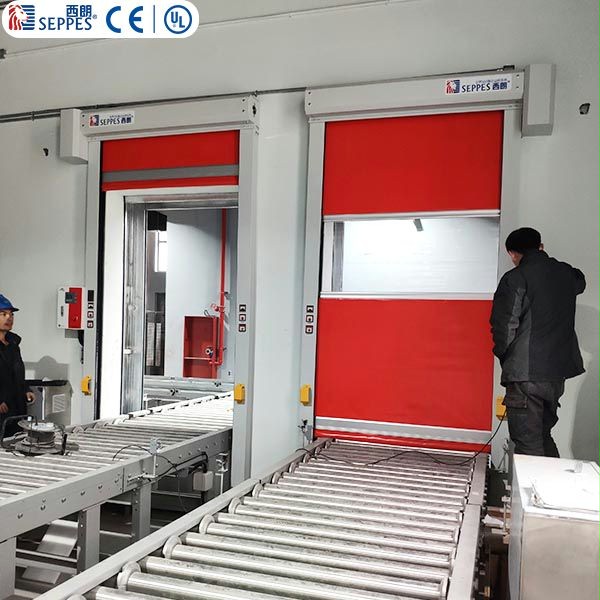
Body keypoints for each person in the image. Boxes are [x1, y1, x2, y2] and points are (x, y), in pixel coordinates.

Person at [490, 228, 586, 457]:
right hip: (556, 374)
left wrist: (507, 358)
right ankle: (554, 480)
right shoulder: (566, 274)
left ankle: (536, 482)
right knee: (543, 436)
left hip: (526, 375)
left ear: (512, 253)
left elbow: (504, 327)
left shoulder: (515, 278)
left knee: (527, 444)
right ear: (541, 247)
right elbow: (580, 281)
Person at [0, 294, 34, 437]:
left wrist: (25, 389)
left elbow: (16, 372)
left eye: (11, 314)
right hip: (2, 408)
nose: (9, 318)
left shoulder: (13, 344)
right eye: (3, 314)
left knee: (16, 440)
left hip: (16, 408)